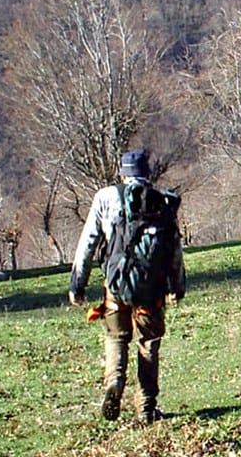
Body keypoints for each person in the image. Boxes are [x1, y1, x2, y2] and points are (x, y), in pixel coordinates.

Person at [69, 150, 185, 424]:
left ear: (122, 174)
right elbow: (174, 249)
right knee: (148, 343)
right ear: (148, 174)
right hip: (152, 289)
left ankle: (115, 382)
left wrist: (77, 284)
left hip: (116, 284)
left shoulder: (105, 197)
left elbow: (88, 243)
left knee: (116, 337)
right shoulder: (161, 201)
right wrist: (176, 286)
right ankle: (146, 408)